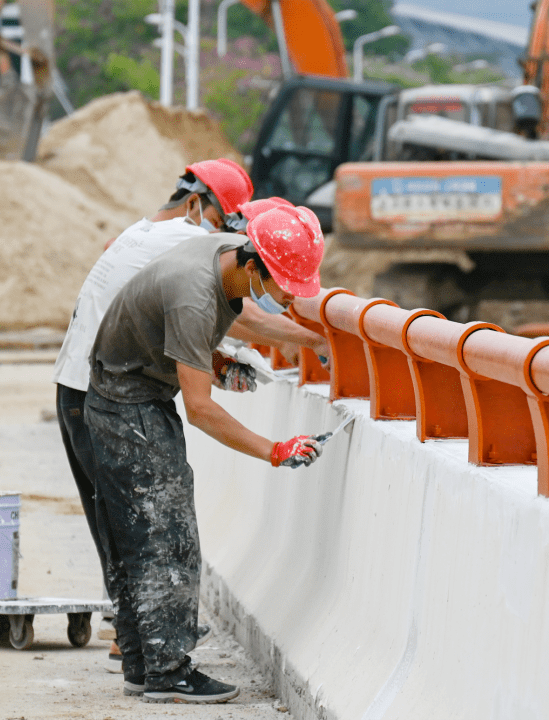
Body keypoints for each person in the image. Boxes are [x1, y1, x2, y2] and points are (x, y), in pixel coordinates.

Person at [52, 159, 329, 673]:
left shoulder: (194, 246)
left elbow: (197, 314)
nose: (288, 297)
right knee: (155, 531)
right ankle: (160, 661)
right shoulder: (186, 253)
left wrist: (216, 359)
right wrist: (274, 448)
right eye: (284, 283)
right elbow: (201, 393)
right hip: (111, 394)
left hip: (106, 383)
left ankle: (142, 651)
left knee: (134, 528)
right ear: (199, 204)